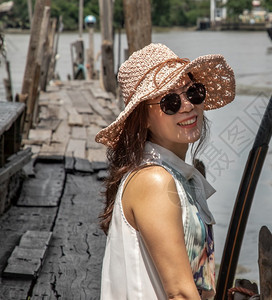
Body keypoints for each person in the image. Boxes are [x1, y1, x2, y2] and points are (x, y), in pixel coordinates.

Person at [95, 43, 235, 299]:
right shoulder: (155, 180)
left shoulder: (177, 176)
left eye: (193, 93)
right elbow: (180, 293)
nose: (187, 106)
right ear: (143, 118)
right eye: (170, 102)